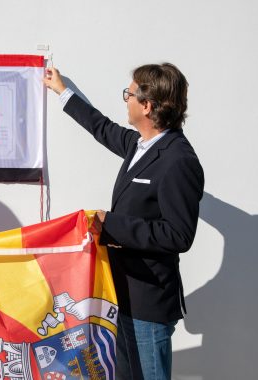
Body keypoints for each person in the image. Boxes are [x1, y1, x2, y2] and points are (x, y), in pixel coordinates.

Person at [44, 63, 204, 379]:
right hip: (120, 298)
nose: (126, 100)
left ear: (147, 106)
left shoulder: (178, 160)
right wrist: (63, 91)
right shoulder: (139, 145)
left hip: (148, 304)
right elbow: (101, 127)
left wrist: (111, 223)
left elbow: (179, 235)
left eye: (128, 94)